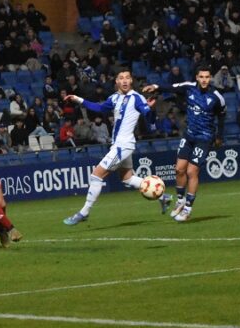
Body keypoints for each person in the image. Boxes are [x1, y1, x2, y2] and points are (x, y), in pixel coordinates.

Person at [62, 69, 172, 225]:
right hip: (120, 145)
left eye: (128, 77)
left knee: (96, 175)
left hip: (123, 145)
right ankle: (162, 197)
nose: (125, 80)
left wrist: (150, 109)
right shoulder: (114, 98)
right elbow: (99, 109)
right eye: (121, 78)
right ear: (117, 82)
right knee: (127, 178)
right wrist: (78, 99)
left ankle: (84, 212)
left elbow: (150, 121)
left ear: (131, 81)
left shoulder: (137, 98)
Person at [143, 65, 226, 222]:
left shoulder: (216, 97)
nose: (204, 80)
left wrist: (219, 136)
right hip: (189, 136)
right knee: (179, 169)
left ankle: (188, 208)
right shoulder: (189, 87)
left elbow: (221, 116)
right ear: (197, 77)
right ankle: (180, 201)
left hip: (205, 138)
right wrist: (155, 87)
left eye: (207, 77)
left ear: (210, 78)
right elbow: (172, 87)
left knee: (191, 172)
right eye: (201, 77)